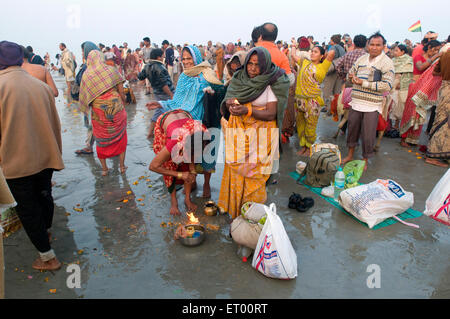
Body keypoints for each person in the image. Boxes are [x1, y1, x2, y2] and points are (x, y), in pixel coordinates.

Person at [0, 41, 65, 270]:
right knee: (45, 196)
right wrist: (56, 153)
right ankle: (45, 233)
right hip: (45, 157)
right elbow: (55, 125)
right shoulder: (41, 86)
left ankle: (48, 258)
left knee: (27, 208)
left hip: (16, 162)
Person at [218, 47, 290, 219]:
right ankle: (236, 217)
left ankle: (252, 219)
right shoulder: (239, 78)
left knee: (255, 179)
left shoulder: (271, 82)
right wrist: (230, 104)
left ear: (264, 66)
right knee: (237, 176)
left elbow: (272, 113)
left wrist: (247, 110)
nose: (252, 68)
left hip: (262, 137)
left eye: (257, 65)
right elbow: (229, 99)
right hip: (240, 134)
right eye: (250, 63)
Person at [146, 45, 224, 198]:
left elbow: (221, 93)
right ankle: (191, 181)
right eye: (184, 59)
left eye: (189, 58)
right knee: (190, 156)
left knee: (208, 155)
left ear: (196, 59)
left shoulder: (207, 74)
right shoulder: (184, 77)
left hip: (207, 120)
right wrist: (161, 104)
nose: (186, 62)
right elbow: (177, 102)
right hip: (188, 122)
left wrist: (213, 93)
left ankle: (207, 183)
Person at [341, 32, 395, 169]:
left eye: (378, 45)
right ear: (367, 45)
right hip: (356, 102)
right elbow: (349, 74)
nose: (374, 47)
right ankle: (350, 155)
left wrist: (363, 83)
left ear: (383, 46)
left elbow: (387, 85)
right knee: (352, 130)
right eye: (372, 44)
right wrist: (351, 77)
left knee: (368, 134)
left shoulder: (387, 63)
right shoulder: (361, 59)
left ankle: (364, 160)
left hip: (372, 105)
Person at [149, 110, 211, 215]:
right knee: (169, 166)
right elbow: (153, 166)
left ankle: (187, 199)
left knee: (188, 168)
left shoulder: (204, 134)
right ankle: (174, 201)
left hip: (184, 116)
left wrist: (192, 169)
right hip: (165, 123)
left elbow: (193, 156)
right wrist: (180, 174)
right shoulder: (174, 143)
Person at [79, 50, 128, 176]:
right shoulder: (111, 70)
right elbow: (121, 91)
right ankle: (122, 167)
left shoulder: (86, 75)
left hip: (99, 112)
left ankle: (105, 169)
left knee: (101, 139)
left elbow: (86, 98)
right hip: (116, 108)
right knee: (121, 137)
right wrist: (123, 103)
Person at [290, 45, 335, 155]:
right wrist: (294, 45)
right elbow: (292, 55)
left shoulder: (323, 66)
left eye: (315, 52)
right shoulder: (304, 62)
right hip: (299, 100)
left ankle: (309, 147)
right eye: (312, 51)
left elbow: (332, 53)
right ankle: (303, 146)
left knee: (310, 126)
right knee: (300, 125)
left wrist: (326, 52)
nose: (312, 53)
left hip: (313, 102)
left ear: (321, 55)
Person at [138, 48, 175, 138]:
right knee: (167, 111)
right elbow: (164, 84)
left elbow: (140, 77)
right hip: (165, 93)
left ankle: (153, 133)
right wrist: (171, 95)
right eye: (163, 55)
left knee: (160, 111)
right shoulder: (160, 67)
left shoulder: (147, 66)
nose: (164, 57)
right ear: (158, 57)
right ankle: (163, 134)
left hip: (156, 92)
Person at [74, 41, 101, 156]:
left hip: (92, 100)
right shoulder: (102, 66)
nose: (81, 54)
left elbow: (80, 82)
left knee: (92, 124)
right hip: (100, 100)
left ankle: (90, 146)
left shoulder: (87, 68)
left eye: (82, 51)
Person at [425, 50, 450, 167]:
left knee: (440, 120)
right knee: (444, 124)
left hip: (444, 87)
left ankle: (438, 153)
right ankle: (432, 155)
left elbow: (435, 72)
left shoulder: (445, 54)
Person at [390, 44, 414, 130]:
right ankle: (389, 126)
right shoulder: (393, 60)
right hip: (392, 85)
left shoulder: (408, 60)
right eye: (394, 50)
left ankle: (398, 124)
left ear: (403, 52)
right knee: (391, 104)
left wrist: (400, 83)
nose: (394, 52)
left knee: (400, 105)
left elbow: (408, 74)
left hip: (403, 86)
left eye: (397, 50)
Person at [322, 34, 346, 114]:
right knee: (336, 91)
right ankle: (335, 108)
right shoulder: (342, 48)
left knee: (327, 91)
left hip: (331, 71)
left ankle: (329, 109)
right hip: (339, 72)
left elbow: (330, 58)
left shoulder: (332, 48)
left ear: (333, 40)